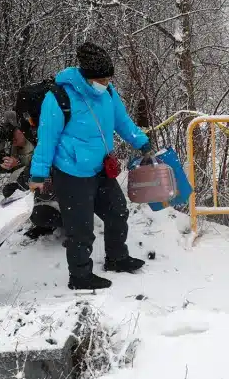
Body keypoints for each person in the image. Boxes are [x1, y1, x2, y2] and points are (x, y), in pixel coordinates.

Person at [28, 42, 152, 290]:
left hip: (100, 169)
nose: (106, 83)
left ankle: (117, 258)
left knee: (117, 212)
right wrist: (38, 174)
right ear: (86, 76)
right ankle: (80, 276)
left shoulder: (108, 92)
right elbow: (47, 138)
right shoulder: (59, 97)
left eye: (108, 78)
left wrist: (143, 143)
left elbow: (122, 121)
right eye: (102, 79)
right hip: (72, 173)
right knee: (80, 228)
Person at [0, 112, 62, 239]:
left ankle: (65, 221)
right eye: (9, 138)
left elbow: (42, 168)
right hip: (39, 186)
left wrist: (20, 165)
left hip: (58, 191)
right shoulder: (16, 146)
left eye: (13, 133)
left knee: (40, 213)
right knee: (10, 191)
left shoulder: (41, 139)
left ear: (22, 127)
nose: (12, 140)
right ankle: (44, 220)